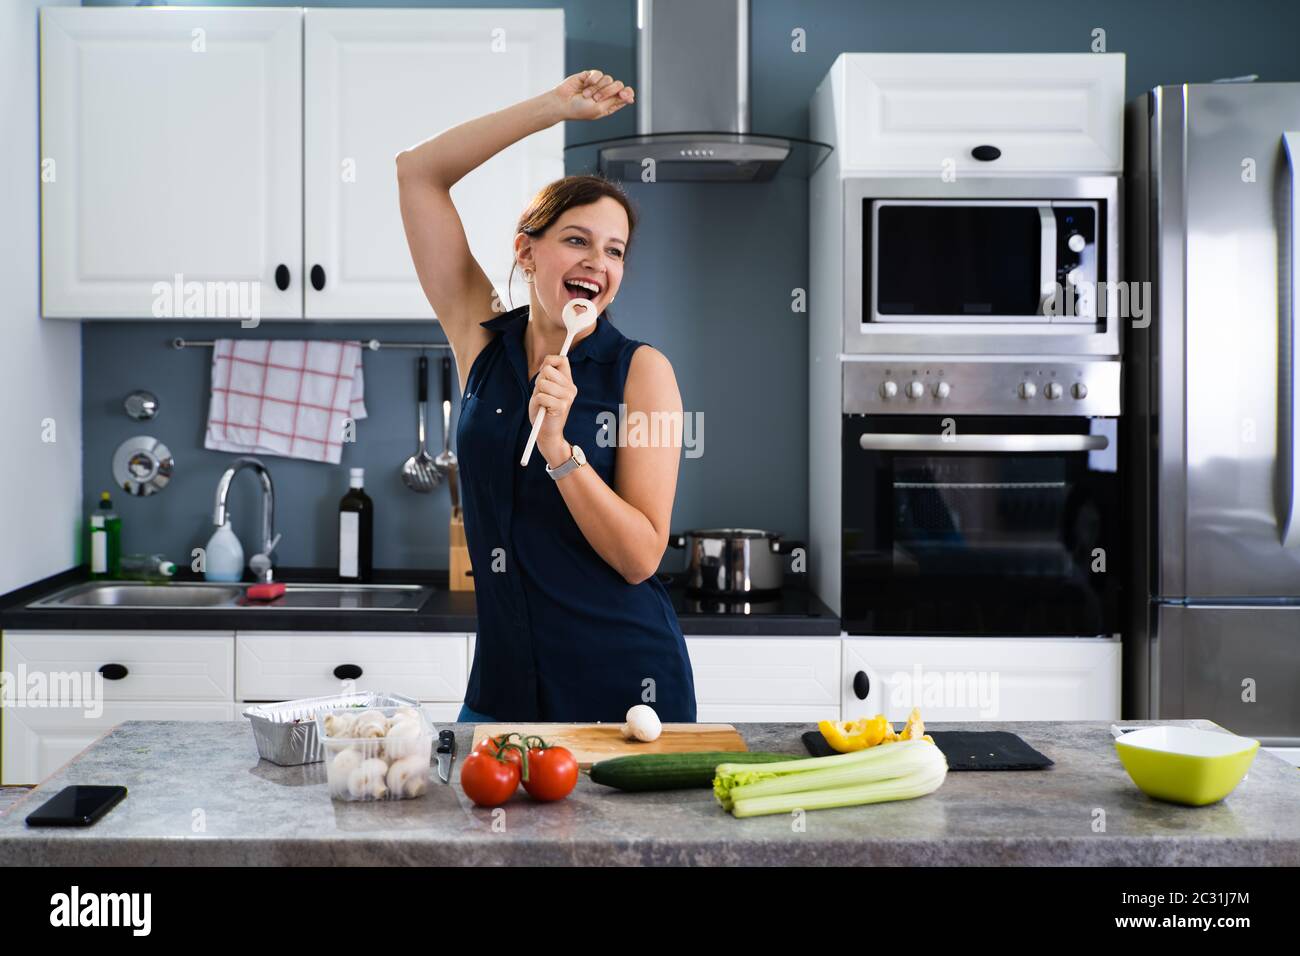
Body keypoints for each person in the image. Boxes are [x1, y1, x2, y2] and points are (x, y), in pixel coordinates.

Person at [396, 70, 697, 723]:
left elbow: (641, 555)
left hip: (623, 697)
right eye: (576, 240)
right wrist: (552, 109)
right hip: (501, 695)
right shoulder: (482, 343)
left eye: (614, 250)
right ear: (526, 253)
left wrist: (561, 451)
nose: (599, 262)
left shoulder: (642, 373)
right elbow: (418, 172)